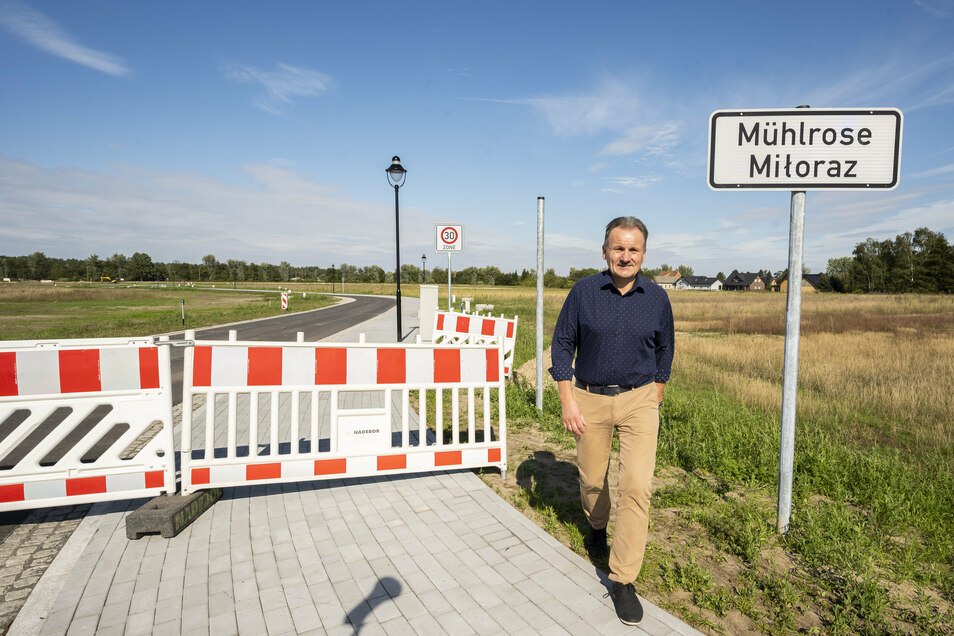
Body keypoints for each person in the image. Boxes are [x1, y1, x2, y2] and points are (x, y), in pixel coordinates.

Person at [548, 216, 674, 626]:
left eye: (633, 249)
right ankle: (596, 526)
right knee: (590, 480)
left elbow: (665, 351)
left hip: (639, 401)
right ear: (604, 252)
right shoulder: (584, 292)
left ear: (643, 254)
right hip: (590, 399)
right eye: (618, 248)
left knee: (636, 486)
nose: (625, 256)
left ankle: (622, 579)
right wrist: (568, 400)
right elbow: (562, 343)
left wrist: (653, 396)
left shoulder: (656, 297)